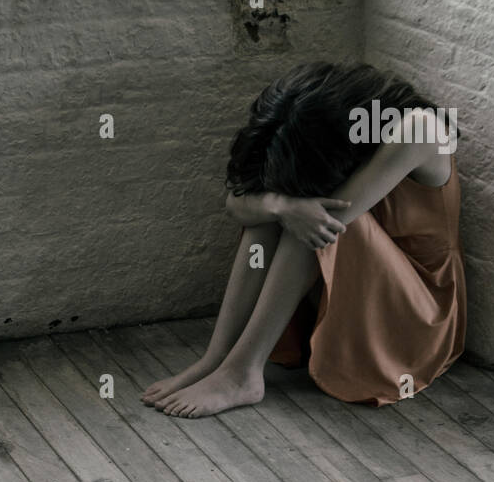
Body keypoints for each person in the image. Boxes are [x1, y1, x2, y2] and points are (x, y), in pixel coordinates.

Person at [143, 62, 466, 416]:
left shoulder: (418, 129)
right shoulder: (321, 117)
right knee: (276, 214)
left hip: (417, 315)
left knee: (318, 223)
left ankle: (242, 373)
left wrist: (288, 209)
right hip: (360, 287)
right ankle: (217, 359)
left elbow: (331, 219)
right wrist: (280, 205)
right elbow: (237, 204)